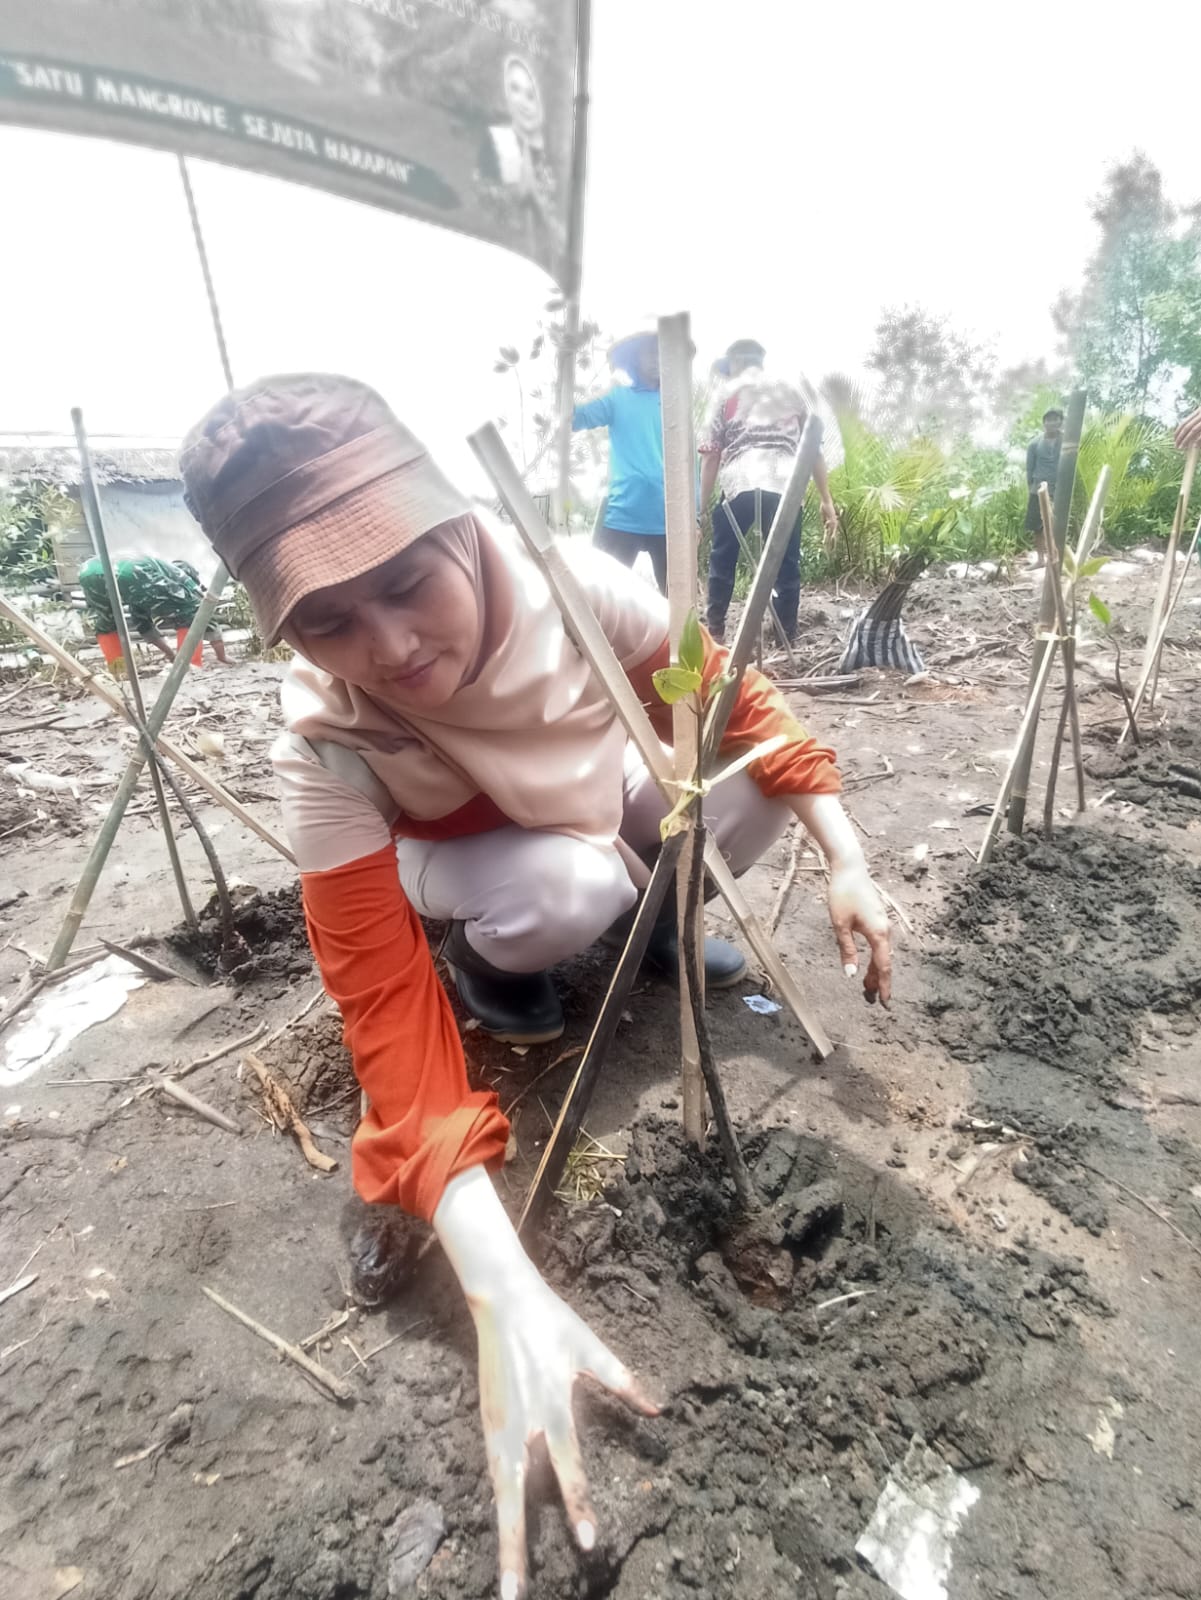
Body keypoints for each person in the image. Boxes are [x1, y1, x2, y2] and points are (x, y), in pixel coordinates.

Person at [179, 372, 893, 1599]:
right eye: (332, 621)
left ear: (460, 526)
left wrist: (850, 858)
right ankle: (506, 971)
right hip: (481, 856)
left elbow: (742, 705)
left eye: (408, 582)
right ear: (284, 632)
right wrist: (501, 1281)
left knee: (737, 784)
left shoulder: (574, 581)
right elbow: (382, 1017)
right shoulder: (324, 746)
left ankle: (660, 933)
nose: (392, 646)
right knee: (568, 891)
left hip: (588, 790)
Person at [699, 340, 839, 644]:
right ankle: (784, 636)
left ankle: (715, 633)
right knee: (785, 562)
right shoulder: (790, 392)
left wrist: (701, 508)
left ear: (735, 364)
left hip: (739, 482)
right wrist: (826, 500)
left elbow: (711, 455)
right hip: (785, 484)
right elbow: (813, 448)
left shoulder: (726, 393)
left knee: (724, 558)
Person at [571, 329, 668, 591]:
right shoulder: (617, 398)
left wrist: (693, 518)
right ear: (635, 358)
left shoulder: (674, 404)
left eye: (662, 351)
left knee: (679, 603)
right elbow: (574, 418)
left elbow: (687, 464)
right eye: (650, 351)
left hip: (668, 517)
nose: (657, 358)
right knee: (605, 593)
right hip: (624, 512)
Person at [477, 54, 561, 264]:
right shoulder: (497, 138)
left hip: (544, 265)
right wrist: (519, 191)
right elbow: (483, 203)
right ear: (506, 93)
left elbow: (553, 214)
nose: (523, 101)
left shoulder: (544, 152)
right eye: (514, 89)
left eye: (530, 95)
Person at [78, 554, 229, 668]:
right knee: (190, 612)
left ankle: (120, 671)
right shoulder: (182, 576)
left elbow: (144, 627)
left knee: (107, 621)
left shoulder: (156, 572)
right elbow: (204, 614)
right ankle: (189, 665)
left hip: (89, 571)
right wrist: (222, 656)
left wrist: (171, 655)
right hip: (134, 570)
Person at [1025, 408, 1064, 539]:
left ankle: (1053, 556)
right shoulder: (1034, 444)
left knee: (1057, 525)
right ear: (1044, 423)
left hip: (1059, 489)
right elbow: (1029, 469)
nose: (1052, 423)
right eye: (1049, 420)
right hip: (1038, 489)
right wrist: (1031, 488)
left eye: (1055, 419)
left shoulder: (1067, 443)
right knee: (1038, 526)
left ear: (1061, 422)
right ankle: (1041, 557)